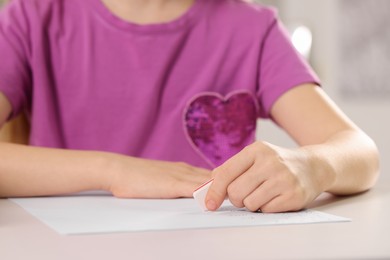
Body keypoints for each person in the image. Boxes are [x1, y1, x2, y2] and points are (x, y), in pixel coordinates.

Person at [0, 0, 379, 213]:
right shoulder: (29, 19)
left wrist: (311, 166)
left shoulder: (252, 29)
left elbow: (360, 152)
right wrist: (113, 171)